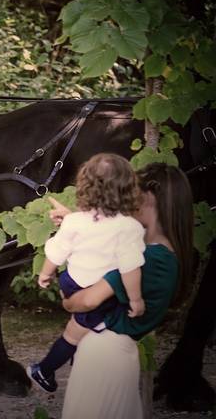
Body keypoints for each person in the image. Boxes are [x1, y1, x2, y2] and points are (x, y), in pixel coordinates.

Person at [59, 163, 194, 418]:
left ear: (150, 197)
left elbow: (87, 300)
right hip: (112, 354)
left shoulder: (150, 258)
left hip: (103, 356)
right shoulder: (157, 252)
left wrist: (69, 302)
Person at [29, 153, 147, 392]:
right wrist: (136, 299)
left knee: (77, 331)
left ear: (85, 186)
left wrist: (45, 274)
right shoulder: (129, 228)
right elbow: (130, 268)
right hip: (98, 293)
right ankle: (45, 370)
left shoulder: (74, 221)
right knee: (74, 336)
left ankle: (56, 367)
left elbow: (56, 252)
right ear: (128, 189)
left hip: (71, 282)